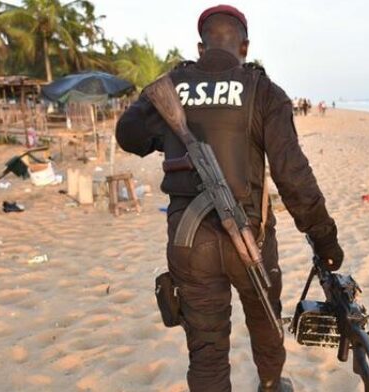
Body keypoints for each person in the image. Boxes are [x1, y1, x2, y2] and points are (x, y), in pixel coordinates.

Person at [115, 5, 344, 392]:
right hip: (251, 239)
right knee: (266, 326)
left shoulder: (173, 85)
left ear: (200, 47)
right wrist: (325, 239)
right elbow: (293, 176)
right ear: (245, 46)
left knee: (206, 350)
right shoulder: (263, 90)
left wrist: (164, 129)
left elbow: (130, 136)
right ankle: (271, 384)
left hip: (189, 244)